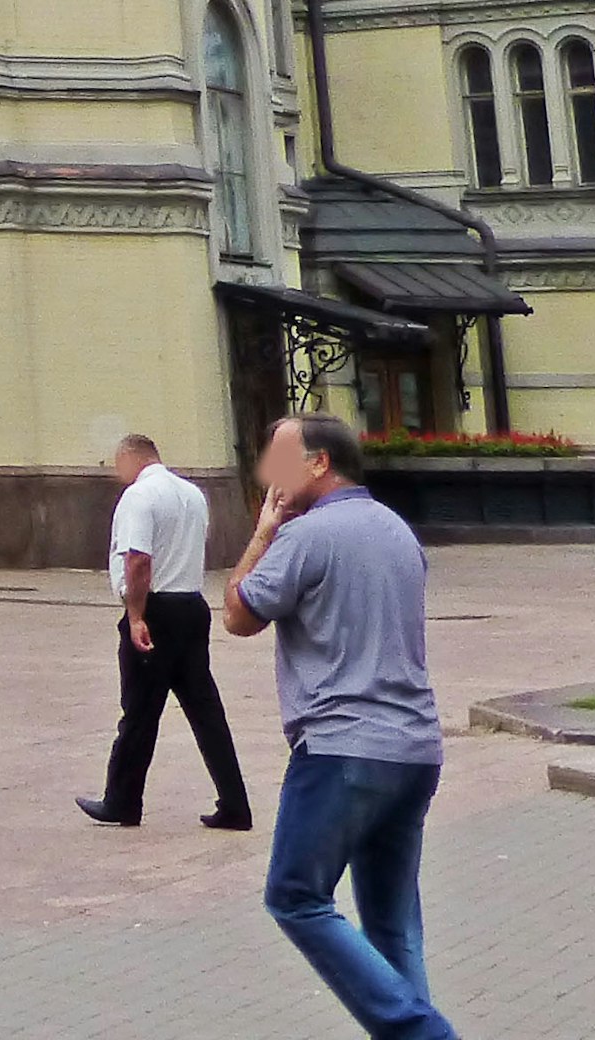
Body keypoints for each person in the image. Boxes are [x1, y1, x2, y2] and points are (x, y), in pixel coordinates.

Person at [221, 412, 459, 1040]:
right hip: (414, 750)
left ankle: (424, 1034)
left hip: (341, 749)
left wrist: (262, 535)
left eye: (279, 460)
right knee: (391, 922)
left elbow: (238, 614)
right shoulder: (396, 530)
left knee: (295, 895)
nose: (268, 475)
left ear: (319, 463)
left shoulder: (306, 535)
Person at [76, 432, 251, 830]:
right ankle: (235, 803)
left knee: (138, 712)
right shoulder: (192, 494)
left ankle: (122, 800)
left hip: (156, 608)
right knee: (205, 711)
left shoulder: (138, 497)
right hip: (191, 604)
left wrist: (136, 616)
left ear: (129, 459)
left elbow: (138, 560)